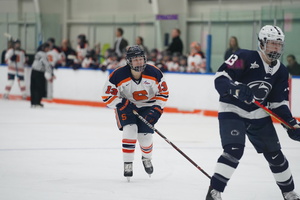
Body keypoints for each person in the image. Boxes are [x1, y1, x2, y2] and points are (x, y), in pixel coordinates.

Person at [206, 25, 300, 200]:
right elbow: (221, 78)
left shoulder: (281, 71)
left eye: (279, 45)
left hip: (258, 114)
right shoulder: (244, 57)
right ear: (262, 43)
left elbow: (277, 103)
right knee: (234, 150)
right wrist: (235, 89)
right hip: (232, 110)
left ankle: (289, 193)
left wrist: (290, 124)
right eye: (272, 44)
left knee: (275, 155)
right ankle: (214, 192)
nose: (276, 48)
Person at [101, 45, 169, 181]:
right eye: (135, 59)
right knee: (130, 130)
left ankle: (147, 158)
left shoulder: (154, 72)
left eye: (141, 59)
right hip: (127, 107)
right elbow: (107, 95)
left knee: (145, 137)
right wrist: (120, 103)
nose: (139, 62)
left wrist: (157, 109)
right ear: (129, 61)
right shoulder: (118, 75)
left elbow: (163, 93)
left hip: (148, 106)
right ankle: (128, 163)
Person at [30, 43, 54, 108]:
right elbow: (46, 64)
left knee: (33, 87)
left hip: (33, 71)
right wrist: (51, 73)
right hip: (39, 72)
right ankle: (37, 102)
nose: (48, 49)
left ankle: (33, 102)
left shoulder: (38, 53)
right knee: (39, 87)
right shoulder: (44, 55)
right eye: (47, 48)